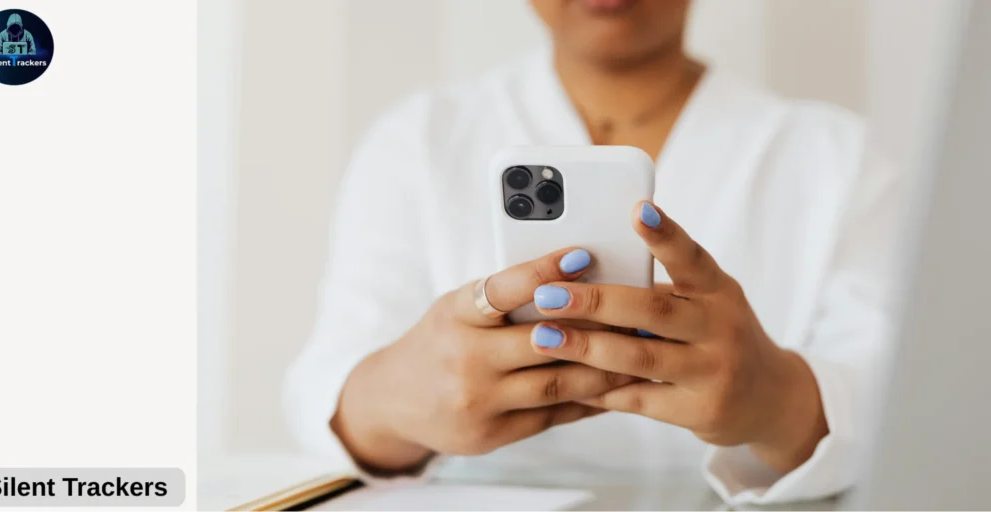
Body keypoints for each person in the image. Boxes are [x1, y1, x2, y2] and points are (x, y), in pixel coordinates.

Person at [284, 0, 910, 505]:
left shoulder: (838, 159)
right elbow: (323, 385)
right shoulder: (419, 140)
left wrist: (779, 401)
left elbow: (908, 406)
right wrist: (398, 398)